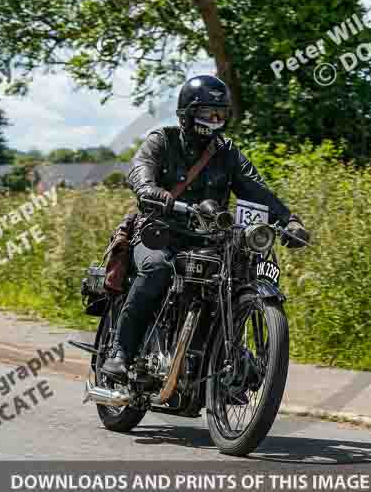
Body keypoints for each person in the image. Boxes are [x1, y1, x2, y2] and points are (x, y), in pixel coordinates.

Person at [104, 74, 309, 378]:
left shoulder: (227, 154)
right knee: (157, 269)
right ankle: (121, 351)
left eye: (220, 114)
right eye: (207, 113)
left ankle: (224, 356)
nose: (214, 120)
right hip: (159, 232)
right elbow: (140, 167)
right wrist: (149, 189)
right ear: (187, 113)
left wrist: (289, 220)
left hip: (208, 240)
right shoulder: (163, 140)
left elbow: (257, 191)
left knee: (234, 279)